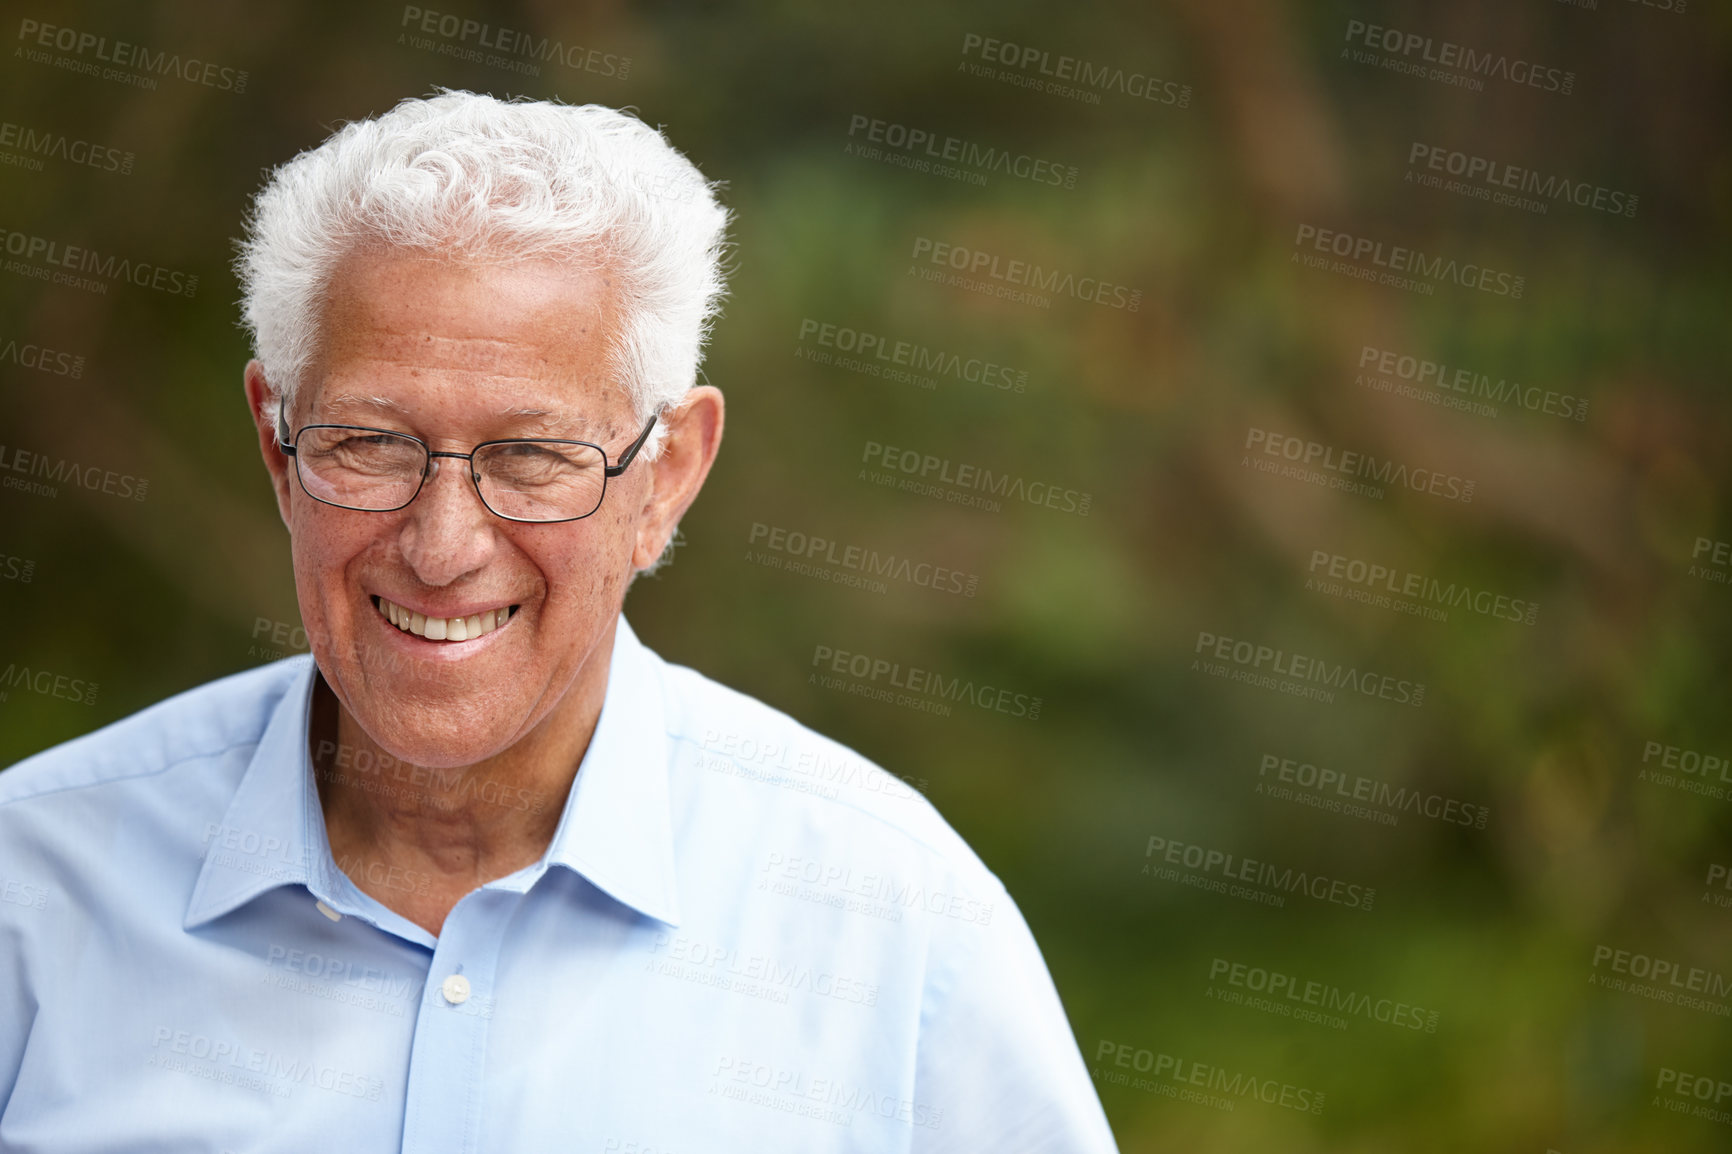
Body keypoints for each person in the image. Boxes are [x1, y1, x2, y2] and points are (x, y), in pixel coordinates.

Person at [0, 91, 1117, 1151]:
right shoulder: (33, 892)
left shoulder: (896, 920)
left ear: (667, 474)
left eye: (532, 456)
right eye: (370, 443)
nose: (441, 547)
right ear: (276, 448)